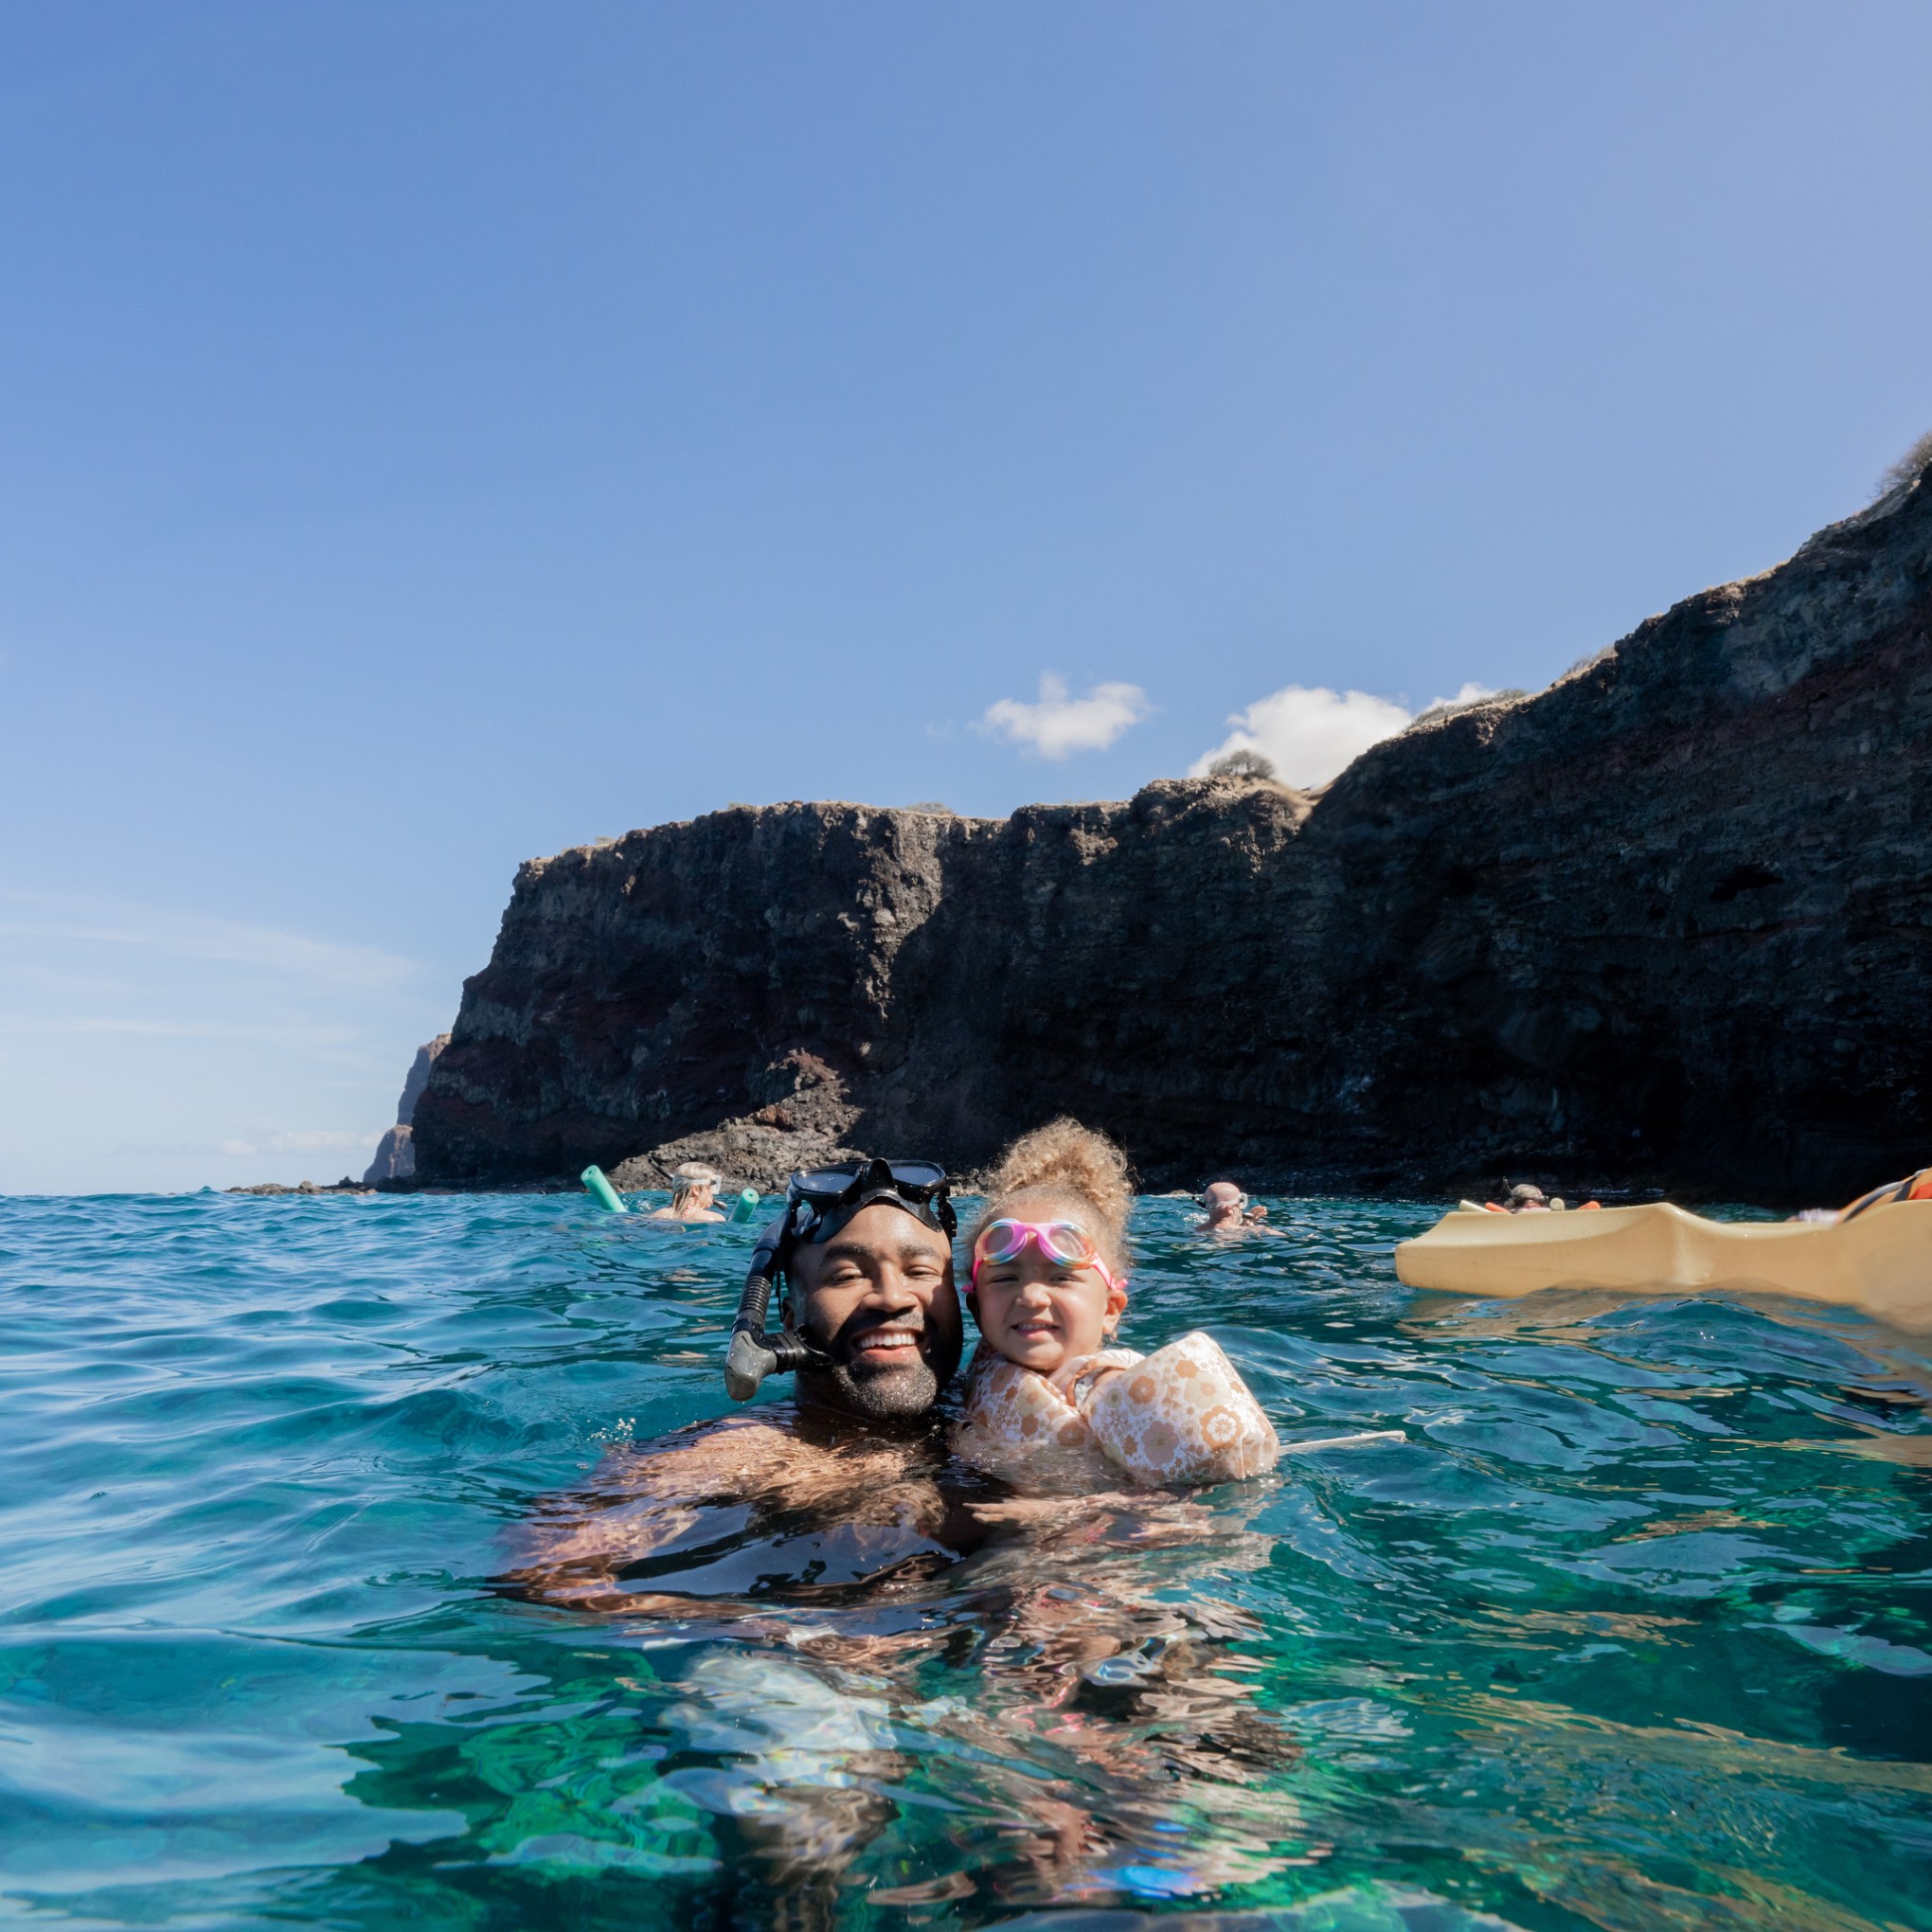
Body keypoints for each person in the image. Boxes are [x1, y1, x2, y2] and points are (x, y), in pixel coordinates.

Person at [953, 1120, 1279, 1492]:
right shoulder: (987, 1365)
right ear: (977, 1309)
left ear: (1110, 1310)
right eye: (1005, 1278)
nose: (1031, 1296)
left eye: (1060, 1278)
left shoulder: (1104, 1382)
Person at [646, 1161, 727, 1223]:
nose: (712, 1193)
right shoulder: (713, 1219)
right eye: (710, 1187)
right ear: (696, 1190)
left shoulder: (657, 1215)